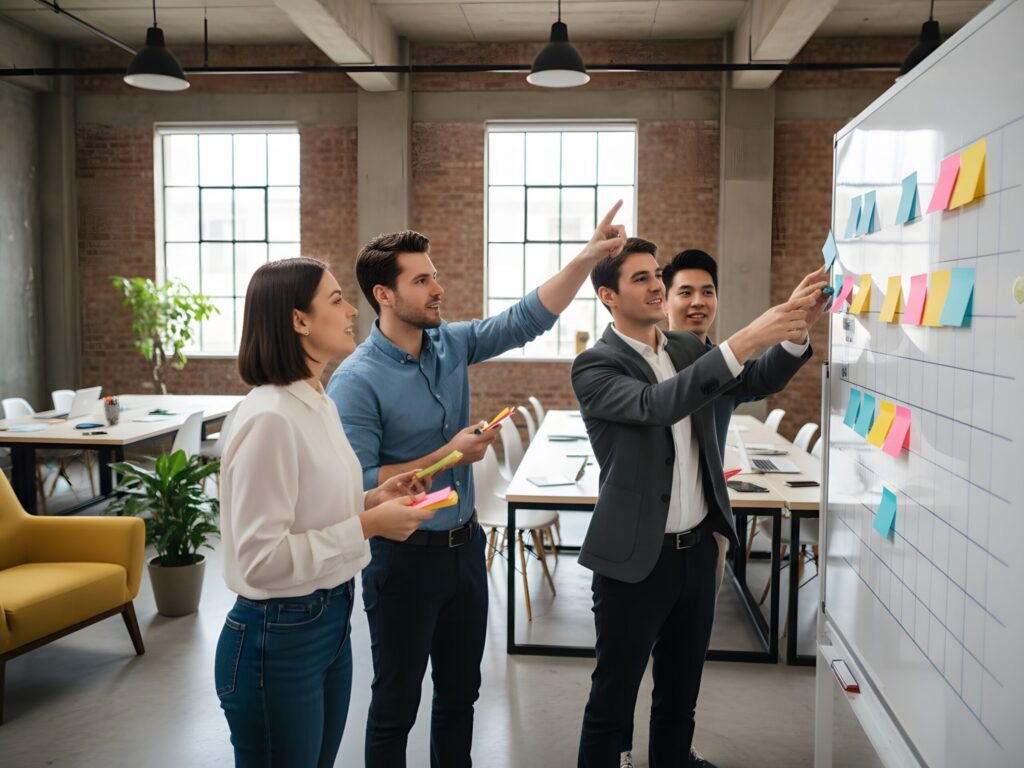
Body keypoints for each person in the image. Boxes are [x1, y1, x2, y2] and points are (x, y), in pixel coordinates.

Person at [326, 203, 628, 768]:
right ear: (383, 295)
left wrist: (588, 259)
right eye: (422, 280)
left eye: (434, 273)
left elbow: (525, 319)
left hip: (463, 551)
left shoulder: (450, 344)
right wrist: (448, 455)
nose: (437, 287)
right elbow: (360, 482)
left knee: (461, 695)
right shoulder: (356, 380)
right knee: (395, 705)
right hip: (400, 561)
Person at [572, 239, 828, 767]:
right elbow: (658, 404)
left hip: (696, 553)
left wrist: (794, 330)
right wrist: (748, 335)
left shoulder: (686, 350)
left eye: (655, 275)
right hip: (633, 561)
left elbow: (753, 379)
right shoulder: (594, 366)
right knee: (613, 700)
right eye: (640, 278)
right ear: (607, 296)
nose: (656, 286)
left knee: (680, 691)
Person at [214, 257, 436, 767]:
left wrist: (372, 500)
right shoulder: (269, 417)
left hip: (330, 617)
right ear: (298, 321)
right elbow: (259, 559)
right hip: (278, 634)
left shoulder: (318, 401)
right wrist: (367, 525)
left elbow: (307, 512)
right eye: (336, 300)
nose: (351, 311)